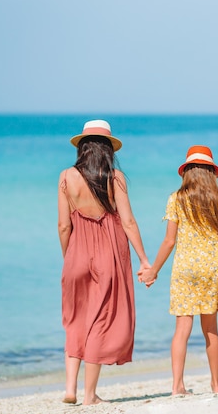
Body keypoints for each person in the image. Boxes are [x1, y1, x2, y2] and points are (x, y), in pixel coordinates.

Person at [57, 119, 153, 405]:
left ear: (82, 148)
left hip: (76, 253)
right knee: (99, 320)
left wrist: (69, 257)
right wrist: (144, 259)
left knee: (74, 319)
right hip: (108, 256)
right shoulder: (115, 178)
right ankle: (89, 396)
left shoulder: (65, 177)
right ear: (108, 149)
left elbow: (63, 226)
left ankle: (70, 388)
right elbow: (128, 221)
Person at [138, 145, 218, 395]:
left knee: (182, 330)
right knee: (211, 329)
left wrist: (153, 271)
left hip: (185, 269)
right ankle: (215, 384)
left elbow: (169, 241)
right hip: (212, 268)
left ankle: (177, 386)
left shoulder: (176, 199)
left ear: (187, 171)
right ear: (212, 171)